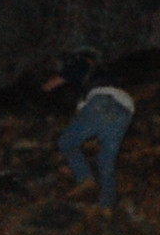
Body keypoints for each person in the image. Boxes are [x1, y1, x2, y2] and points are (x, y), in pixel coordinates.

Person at [43, 50, 134, 210]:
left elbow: (54, 83)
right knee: (106, 161)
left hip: (102, 102)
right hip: (125, 109)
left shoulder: (81, 64)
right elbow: (85, 115)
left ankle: (85, 180)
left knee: (66, 142)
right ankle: (107, 209)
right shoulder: (104, 74)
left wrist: (42, 88)